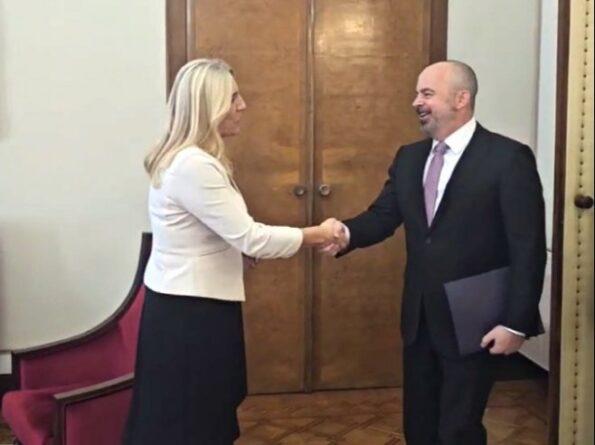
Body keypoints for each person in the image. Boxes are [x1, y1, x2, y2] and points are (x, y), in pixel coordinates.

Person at [322, 60, 546, 445]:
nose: (416, 102)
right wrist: (345, 233)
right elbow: (383, 215)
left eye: (427, 94)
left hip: (477, 321)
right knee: (420, 427)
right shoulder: (410, 157)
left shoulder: (508, 158)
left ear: (461, 99)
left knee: (458, 429)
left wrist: (516, 323)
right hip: (420, 319)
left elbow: (528, 247)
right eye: (417, 94)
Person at [123, 58, 338, 445]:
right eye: (234, 97)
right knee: (193, 422)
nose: (243, 105)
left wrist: (232, 249)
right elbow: (251, 237)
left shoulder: (186, 158)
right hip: (192, 314)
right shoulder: (194, 165)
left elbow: (203, 232)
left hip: (183, 306)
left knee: (187, 416)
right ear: (209, 105)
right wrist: (317, 233)